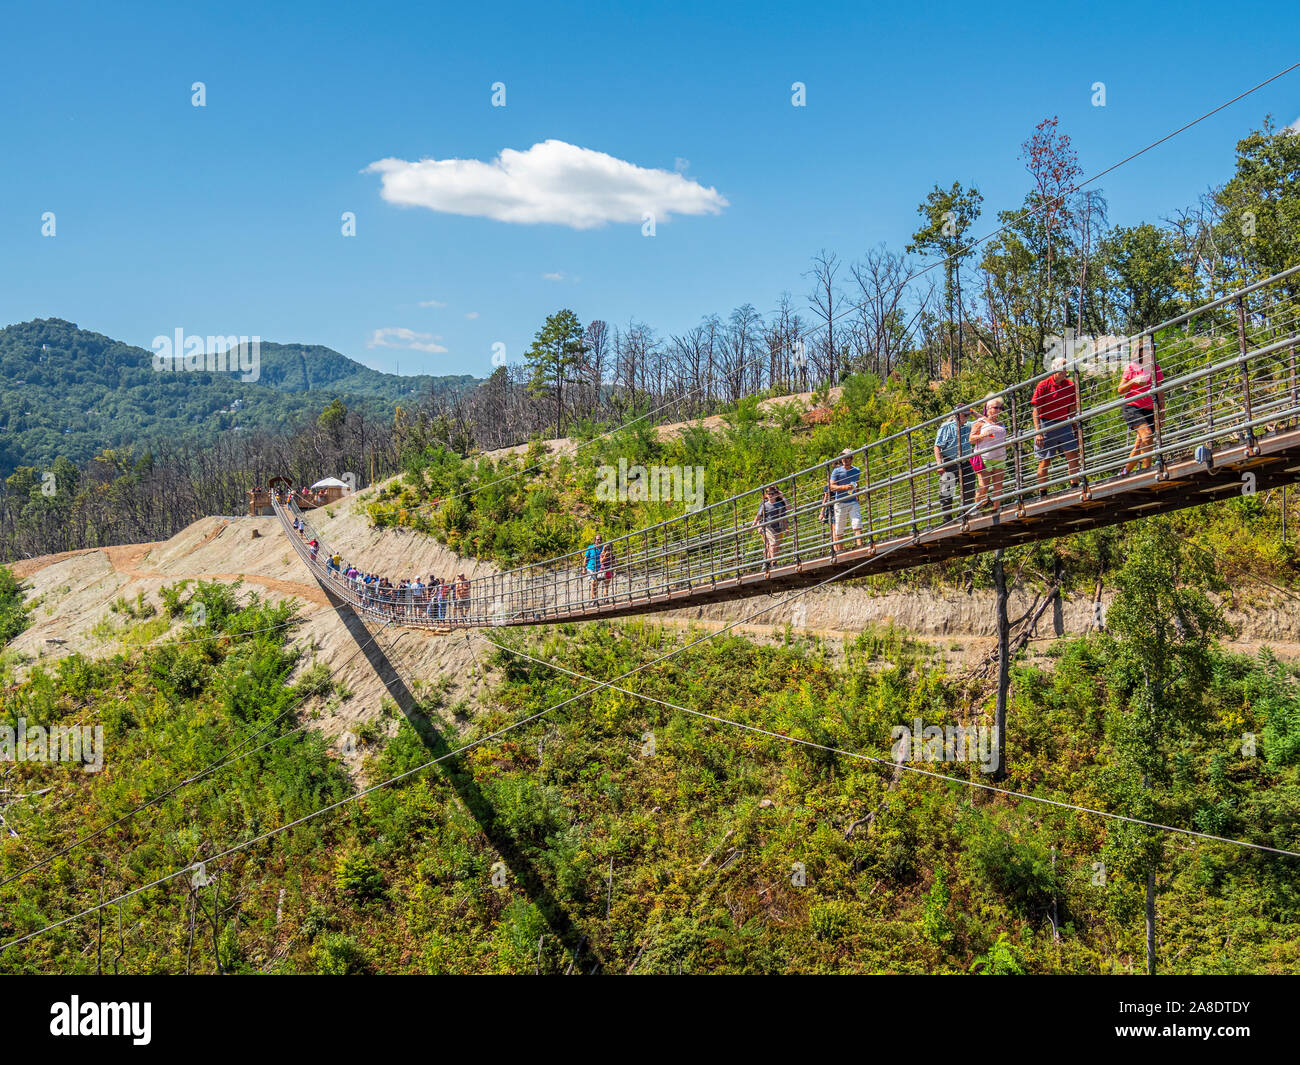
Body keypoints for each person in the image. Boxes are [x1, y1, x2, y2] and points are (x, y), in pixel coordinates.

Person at [1030, 357, 1082, 496]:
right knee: (1044, 460)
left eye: (1067, 366)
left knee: (1072, 454)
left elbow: (1071, 410)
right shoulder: (1043, 385)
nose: (1066, 370)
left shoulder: (1070, 385)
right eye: (1063, 367)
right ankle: (1043, 493)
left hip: (1064, 423)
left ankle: (1075, 486)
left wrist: (1076, 428)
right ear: (1054, 369)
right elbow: (1036, 410)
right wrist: (1038, 432)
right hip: (1046, 423)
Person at [1118, 338, 1165, 474]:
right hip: (1133, 407)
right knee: (1147, 436)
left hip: (1150, 408)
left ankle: (1125, 472)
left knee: (1140, 444)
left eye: (1153, 349)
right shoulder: (1132, 367)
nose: (1152, 352)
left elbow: (1160, 390)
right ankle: (1147, 471)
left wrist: (1162, 410)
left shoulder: (1155, 367)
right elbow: (1120, 389)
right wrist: (1133, 381)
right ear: (1140, 352)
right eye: (1149, 349)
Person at [933, 408, 974, 520]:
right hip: (949, 460)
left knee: (970, 487)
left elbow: (984, 421)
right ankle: (947, 517)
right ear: (957, 415)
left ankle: (963, 514)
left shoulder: (969, 425)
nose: (967, 417)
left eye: (968, 415)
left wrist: (973, 411)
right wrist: (939, 464)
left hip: (965, 461)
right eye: (964, 415)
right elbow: (937, 446)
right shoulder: (946, 426)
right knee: (946, 491)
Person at [969, 396, 1008, 513]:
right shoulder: (981, 423)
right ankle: (976, 510)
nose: (999, 410)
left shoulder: (1001, 424)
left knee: (998, 487)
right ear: (988, 408)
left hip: (1000, 457)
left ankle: (996, 509)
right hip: (984, 457)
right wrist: (981, 436)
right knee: (984, 486)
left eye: (1000, 408)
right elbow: (971, 439)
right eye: (996, 408)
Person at [827, 449, 864, 550]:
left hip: (853, 501)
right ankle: (840, 550)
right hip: (840, 502)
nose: (845, 459)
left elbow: (857, 483)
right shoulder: (837, 471)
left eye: (847, 457)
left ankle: (860, 546)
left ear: (851, 459)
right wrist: (844, 487)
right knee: (839, 528)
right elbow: (831, 486)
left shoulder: (856, 470)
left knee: (857, 523)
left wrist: (857, 495)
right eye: (843, 457)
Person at [752, 484, 789, 568]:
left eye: (775, 492)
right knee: (770, 544)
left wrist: (782, 496)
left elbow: (786, 512)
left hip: (778, 526)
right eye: (770, 493)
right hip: (767, 526)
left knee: (775, 545)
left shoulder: (780, 502)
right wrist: (758, 526)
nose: (772, 494)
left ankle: (768, 562)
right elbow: (759, 515)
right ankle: (771, 562)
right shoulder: (765, 503)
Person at [584, 534, 604, 604]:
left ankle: (594, 599)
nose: (599, 541)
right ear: (595, 541)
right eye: (597, 539)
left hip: (599, 568)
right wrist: (584, 568)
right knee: (593, 583)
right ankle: (594, 599)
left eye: (600, 539)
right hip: (590, 567)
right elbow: (586, 558)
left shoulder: (603, 548)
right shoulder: (590, 547)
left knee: (596, 584)